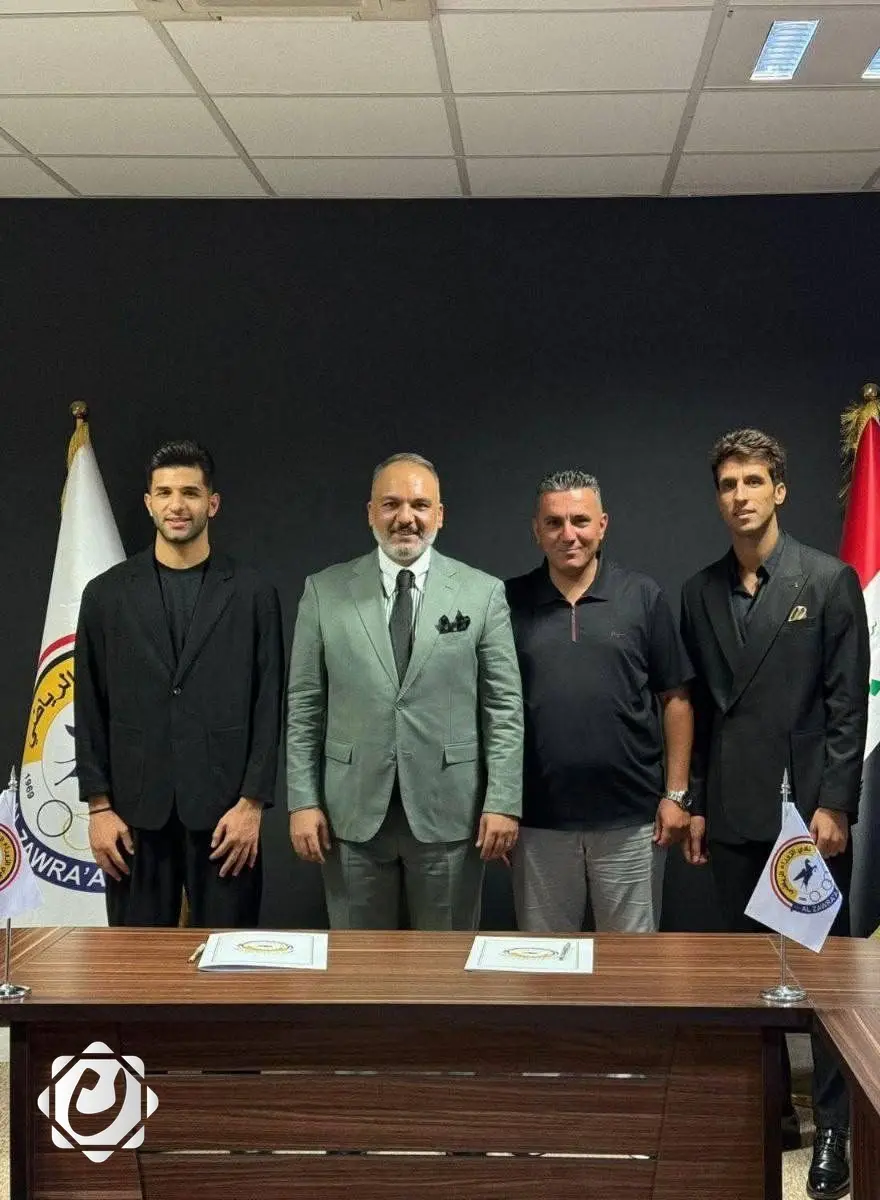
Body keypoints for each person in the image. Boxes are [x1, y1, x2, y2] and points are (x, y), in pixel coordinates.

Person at [680, 428, 869, 1200]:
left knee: (820, 981)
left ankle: (835, 1129)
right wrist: (695, 803)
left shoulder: (827, 580)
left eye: (753, 481)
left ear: (780, 490)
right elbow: (701, 710)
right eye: (728, 484)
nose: (741, 496)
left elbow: (847, 703)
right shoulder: (699, 592)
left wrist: (836, 802)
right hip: (731, 811)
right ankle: (765, 1114)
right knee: (746, 980)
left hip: (805, 818)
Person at [286, 452, 522, 930]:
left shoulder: (483, 593)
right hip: (350, 813)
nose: (405, 518)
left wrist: (502, 801)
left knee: (445, 963)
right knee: (359, 964)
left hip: (451, 813)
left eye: (420, 504)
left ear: (440, 514)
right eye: (391, 504)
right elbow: (305, 706)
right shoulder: (324, 591)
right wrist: (302, 801)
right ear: (370, 513)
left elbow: (503, 708)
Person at [75, 440, 284, 927]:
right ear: (148, 503)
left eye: (190, 492)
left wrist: (252, 805)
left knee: (229, 960)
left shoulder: (253, 593)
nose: (177, 505)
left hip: (226, 817)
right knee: (136, 965)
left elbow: (268, 704)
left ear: (213, 502)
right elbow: (89, 705)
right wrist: (98, 807)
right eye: (165, 493)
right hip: (132, 818)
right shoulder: (105, 595)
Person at [505, 470, 694, 934]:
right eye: (554, 523)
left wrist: (675, 795)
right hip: (537, 821)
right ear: (536, 530)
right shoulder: (508, 602)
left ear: (603, 525)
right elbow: (491, 709)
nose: (568, 534)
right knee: (543, 962)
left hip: (632, 821)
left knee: (631, 966)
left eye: (580, 520)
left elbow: (676, 698)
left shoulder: (642, 596)